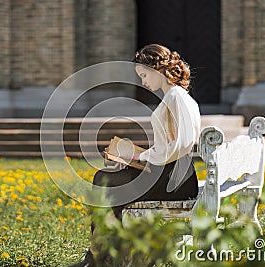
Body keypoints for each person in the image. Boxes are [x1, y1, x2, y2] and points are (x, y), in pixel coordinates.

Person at [70, 44, 201, 267]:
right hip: (170, 172)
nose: (142, 82)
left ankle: (100, 255)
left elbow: (181, 144)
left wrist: (138, 158)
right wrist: (135, 157)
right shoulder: (174, 97)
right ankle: (106, 253)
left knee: (104, 180)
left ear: (157, 69)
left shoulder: (176, 97)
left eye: (143, 75)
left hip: (175, 179)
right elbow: (170, 145)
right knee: (107, 179)